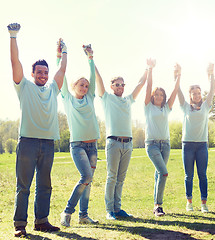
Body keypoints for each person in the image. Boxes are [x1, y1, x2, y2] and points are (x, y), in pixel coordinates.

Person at [8, 23, 67, 237]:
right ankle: (20, 225)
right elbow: (15, 62)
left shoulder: (52, 89)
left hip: (48, 143)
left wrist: (63, 52)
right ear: (32, 73)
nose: (43, 75)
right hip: (28, 143)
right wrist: (13, 36)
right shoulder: (24, 86)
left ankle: (41, 221)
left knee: (45, 185)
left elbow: (62, 70)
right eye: (39, 72)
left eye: (45, 72)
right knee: (23, 186)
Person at [95, 59, 148, 220]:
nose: (120, 87)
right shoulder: (106, 98)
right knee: (112, 177)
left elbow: (140, 84)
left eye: (122, 85)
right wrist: (92, 60)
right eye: (117, 84)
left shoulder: (128, 100)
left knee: (121, 178)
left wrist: (148, 68)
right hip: (113, 142)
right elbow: (99, 80)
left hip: (128, 144)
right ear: (112, 86)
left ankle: (118, 209)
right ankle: (109, 210)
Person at [60, 45, 100, 227]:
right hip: (78, 146)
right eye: (81, 85)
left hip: (93, 146)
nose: (85, 87)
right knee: (85, 177)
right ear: (73, 86)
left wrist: (90, 57)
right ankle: (67, 212)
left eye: (86, 85)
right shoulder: (67, 98)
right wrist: (59, 55)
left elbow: (92, 76)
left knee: (88, 181)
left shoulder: (90, 97)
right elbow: (62, 76)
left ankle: (83, 215)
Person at [144, 60, 181, 216]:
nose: (159, 96)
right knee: (163, 173)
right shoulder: (148, 106)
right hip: (151, 145)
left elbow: (175, 90)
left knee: (159, 174)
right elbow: (147, 87)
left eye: (161, 95)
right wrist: (150, 69)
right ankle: (158, 205)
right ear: (153, 96)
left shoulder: (167, 108)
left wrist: (178, 74)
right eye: (156, 94)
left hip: (165, 145)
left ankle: (155, 205)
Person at [177, 63, 215, 213]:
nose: (197, 96)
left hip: (201, 146)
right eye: (194, 93)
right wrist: (177, 75)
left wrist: (211, 74)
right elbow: (178, 91)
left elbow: (212, 90)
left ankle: (204, 204)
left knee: (202, 175)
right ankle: (189, 202)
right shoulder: (185, 107)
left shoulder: (206, 106)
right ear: (190, 95)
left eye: (199, 93)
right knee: (189, 176)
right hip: (187, 145)